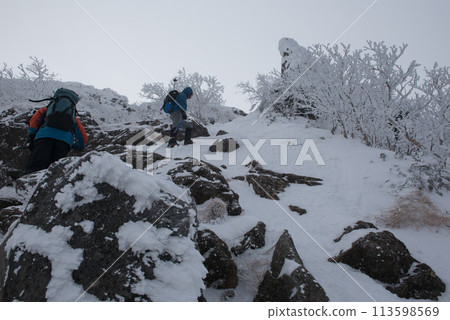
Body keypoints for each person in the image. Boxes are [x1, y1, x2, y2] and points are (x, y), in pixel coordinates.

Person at [25, 90, 88, 174]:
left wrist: (33, 138)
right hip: (64, 143)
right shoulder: (73, 118)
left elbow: (33, 124)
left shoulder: (45, 110)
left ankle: (29, 184)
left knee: (35, 168)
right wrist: (77, 146)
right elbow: (83, 137)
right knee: (55, 171)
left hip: (44, 138)